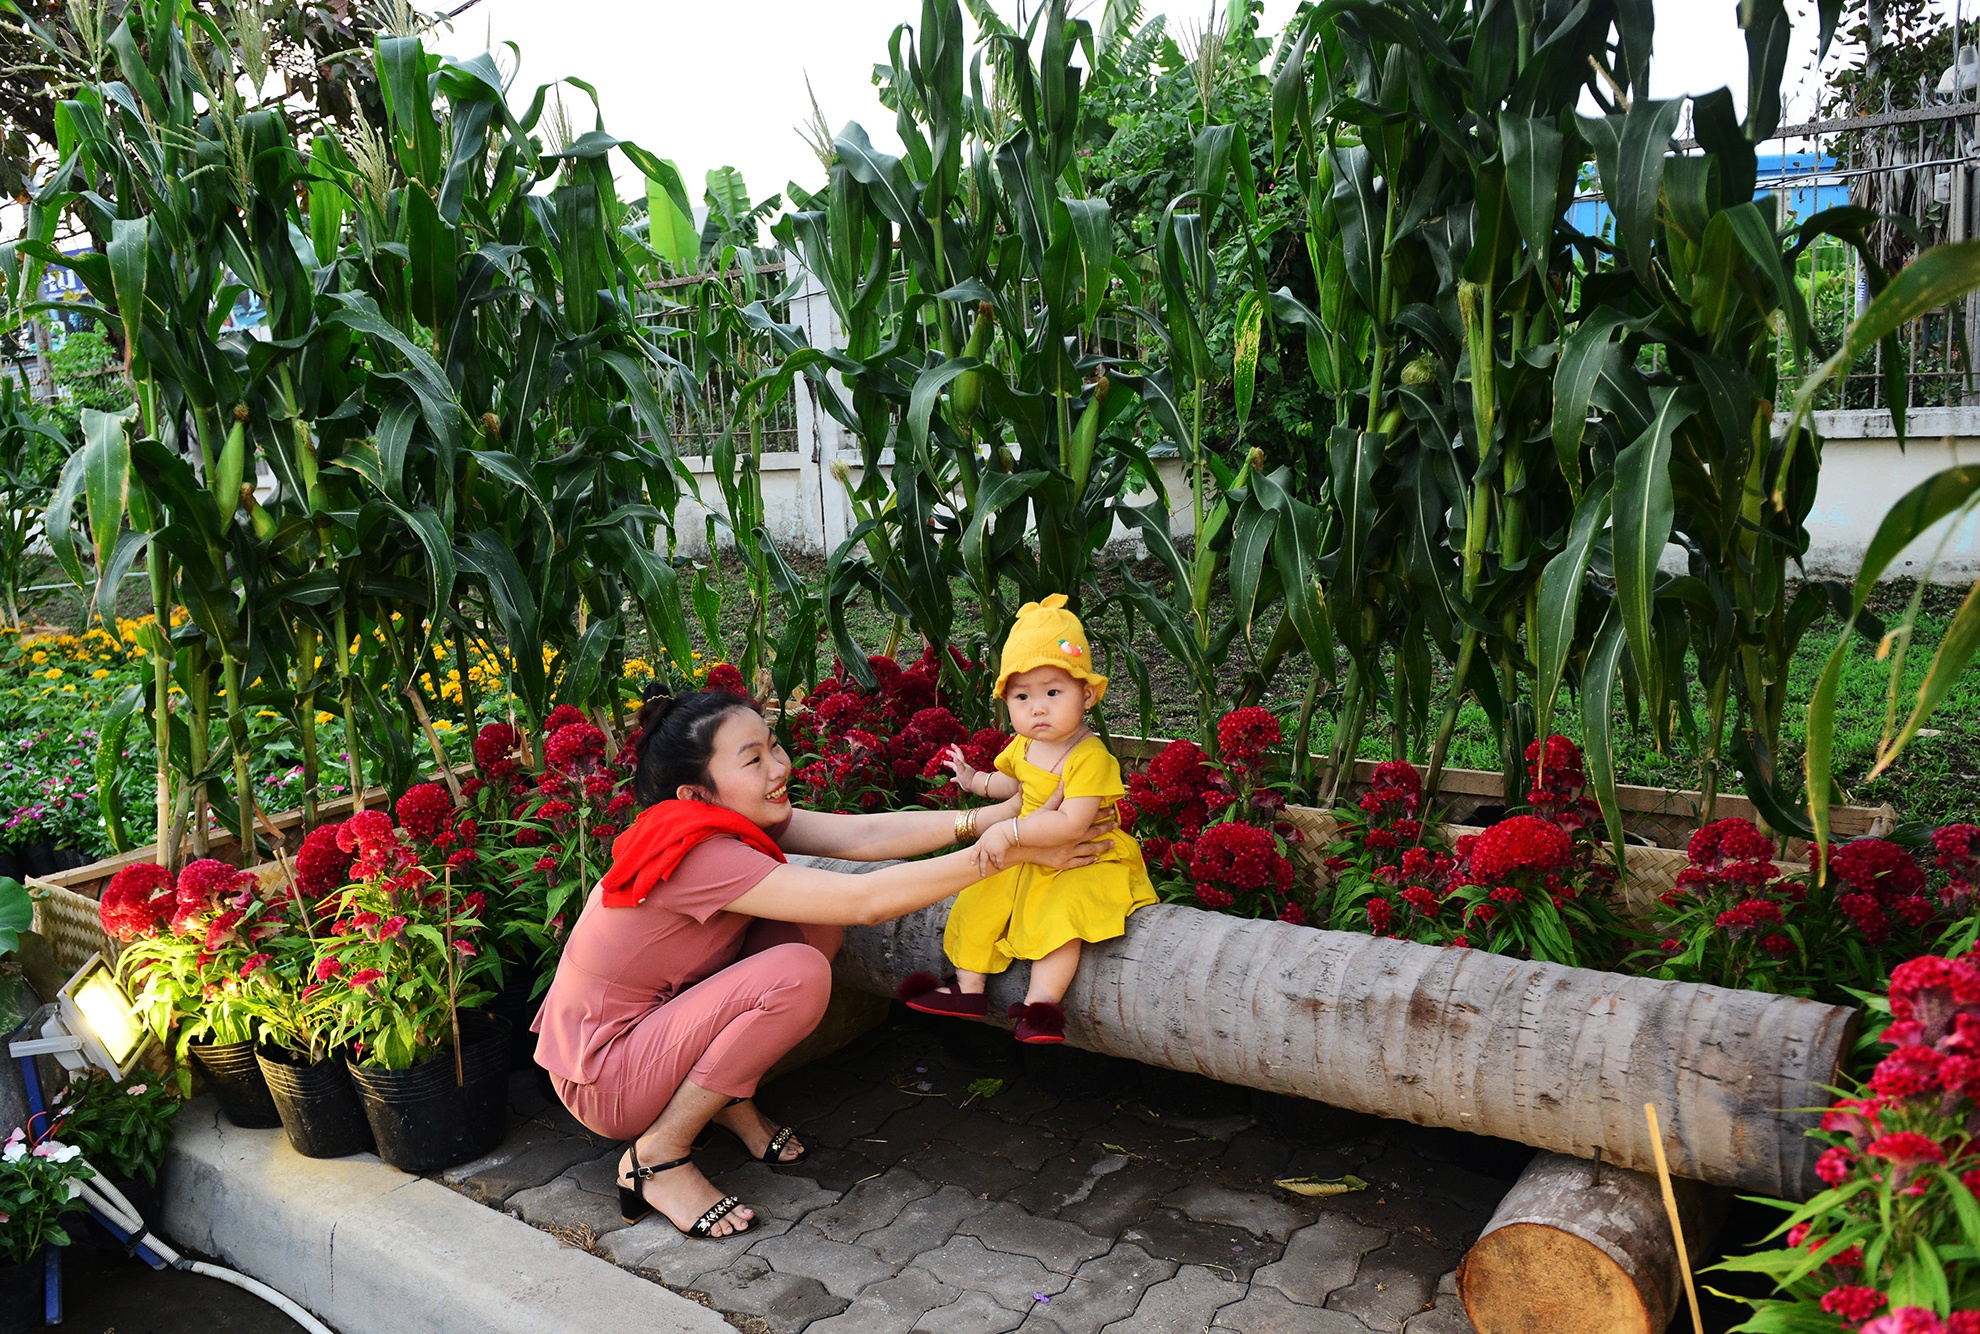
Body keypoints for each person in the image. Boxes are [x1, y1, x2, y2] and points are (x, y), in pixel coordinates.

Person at [531, 683, 1114, 1240]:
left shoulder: (721, 819)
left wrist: (998, 818)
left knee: (811, 928)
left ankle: (725, 1100)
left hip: (661, 1025)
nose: (779, 767)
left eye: (773, 745)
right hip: (607, 1076)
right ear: (697, 794)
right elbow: (865, 900)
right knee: (797, 975)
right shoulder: (699, 853)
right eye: (752, 760)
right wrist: (1012, 851)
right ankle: (658, 1156)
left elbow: (860, 837)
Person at [901, 594, 1156, 1044]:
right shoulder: (1024, 746)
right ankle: (969, 987)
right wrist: (973, 779)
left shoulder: (1089, 756)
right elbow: (1012, 785)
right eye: (1023, 696)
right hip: (1028, 847)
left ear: (1088, 693)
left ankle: (1041, 1007)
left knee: (1062, 917)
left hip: (1080, 856)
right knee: (981, 894)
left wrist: (1010, 830)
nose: (1037, 708)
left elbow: (1074, 823)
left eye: (1053, 693)